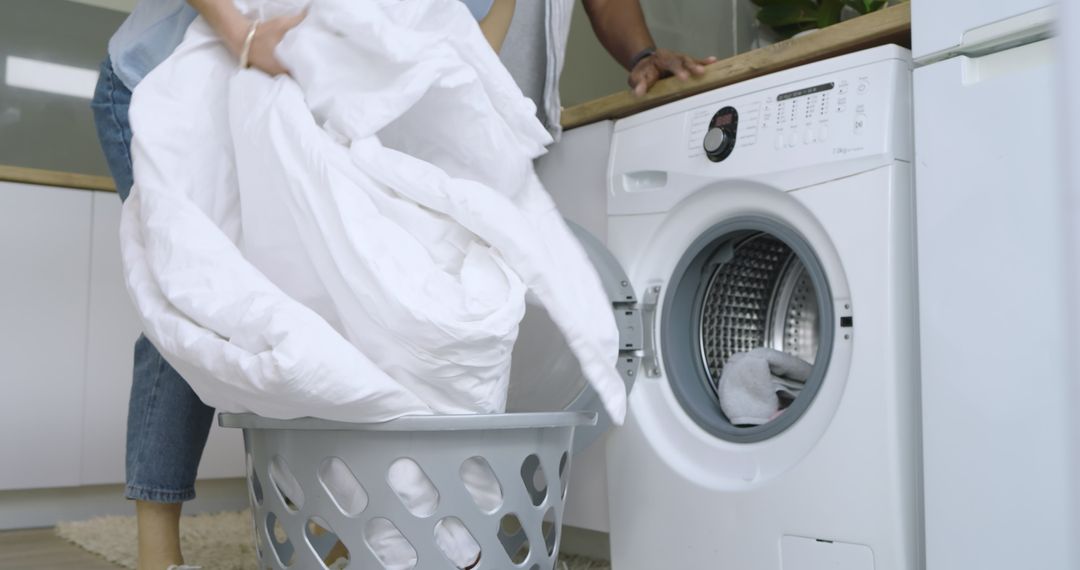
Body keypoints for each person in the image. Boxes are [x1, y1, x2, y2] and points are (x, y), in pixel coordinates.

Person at [91, 1, 714, 568]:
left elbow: (458, 46)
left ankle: (345, 535)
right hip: (171, 76)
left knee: (349, 306)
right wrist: (243, 33)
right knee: (201, 297)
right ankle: (158, 553)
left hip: (303, 87)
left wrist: (637, 53)